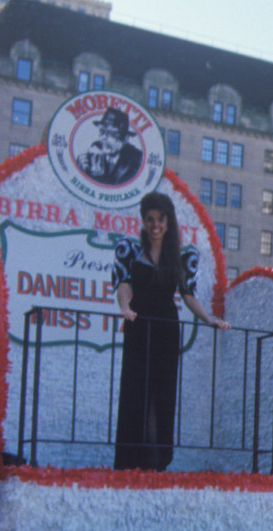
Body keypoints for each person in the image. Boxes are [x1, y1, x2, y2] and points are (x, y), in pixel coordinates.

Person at [112, 192, 229, 470]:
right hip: (138, 327)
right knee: (135, 391)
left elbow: (187, 296)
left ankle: (156, 462)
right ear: (143, 221)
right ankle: (130, 463)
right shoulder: (130, 250)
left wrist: (209, 319)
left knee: (161, 395)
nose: (155, 225)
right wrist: (126, 309)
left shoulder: (180, 255)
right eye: (149, 219)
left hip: (166, 330)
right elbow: (123, 285)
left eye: (160, 219)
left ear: (168, 221)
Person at [77, 107, 144, 186]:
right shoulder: (94, 149)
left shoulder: (136, 160)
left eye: (111, 133)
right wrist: (81, 171)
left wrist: (96, 177)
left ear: (125, 139)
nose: (103, 137)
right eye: (102, 131)